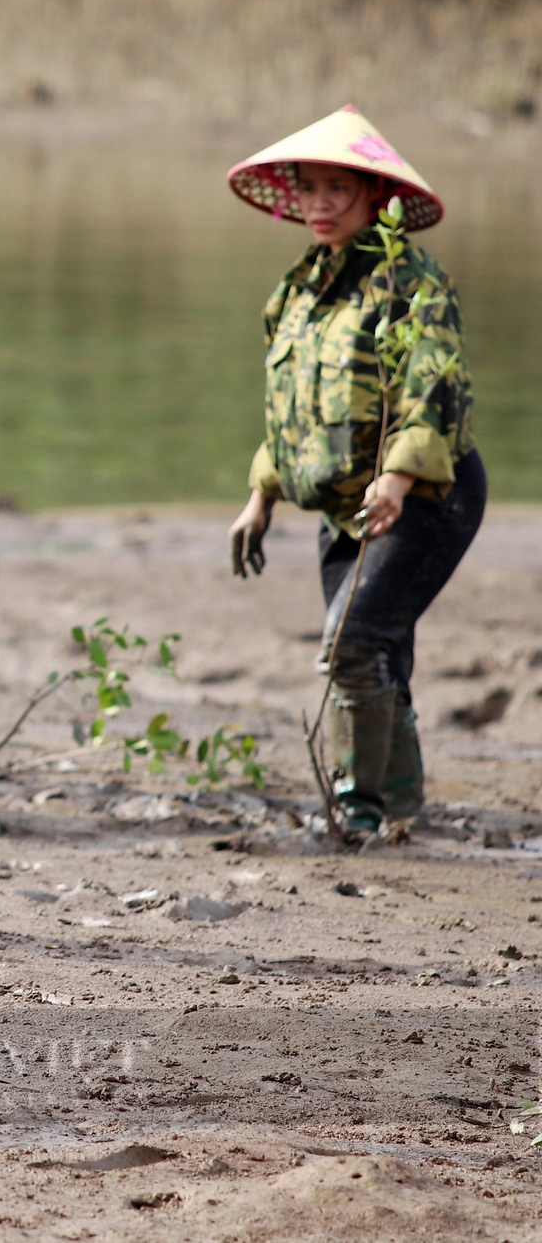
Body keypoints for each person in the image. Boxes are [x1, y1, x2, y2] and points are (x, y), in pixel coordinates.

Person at [224, 104, 481, 840]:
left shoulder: (412, 282)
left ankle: (356, 809)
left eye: (340, 189)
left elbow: (434, 389)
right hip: (345, 507)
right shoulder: (297, 292)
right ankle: (403, 810)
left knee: (351, 644)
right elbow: (290, 406)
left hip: (429, 496)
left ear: (377, 198)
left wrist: (397, 481)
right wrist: (260, 496)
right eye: (309, 188)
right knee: (376, 653)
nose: (322, 204)